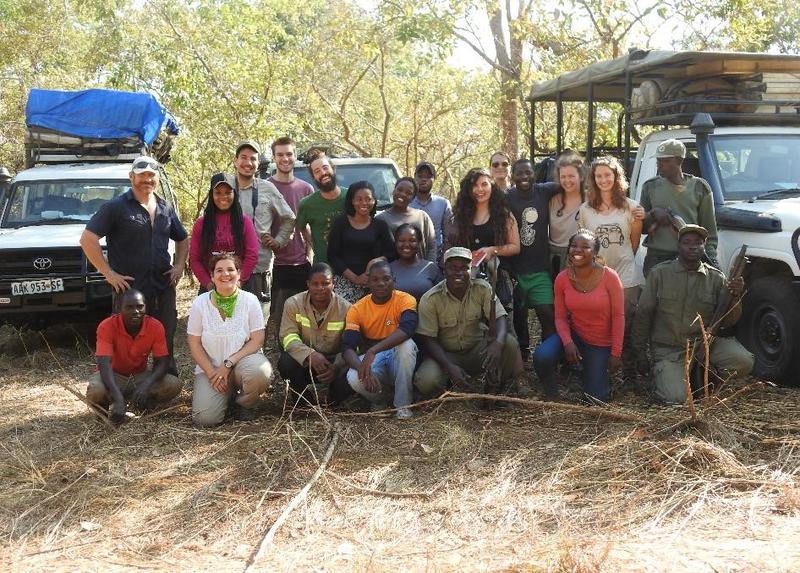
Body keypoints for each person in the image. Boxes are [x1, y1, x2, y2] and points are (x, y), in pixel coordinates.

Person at [80, 156, 188, 372]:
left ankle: (165, 381)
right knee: (124, 341)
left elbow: (183, 238)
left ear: (157, 178)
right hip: (129, 290)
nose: (146, 179)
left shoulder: (165, 208)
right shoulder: (115, 207)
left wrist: (179, 266)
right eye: (141, 175)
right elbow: (87, 239)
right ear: (132, 177)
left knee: (165, 337)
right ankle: (123, 384)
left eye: (151, 175)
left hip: (163, 286)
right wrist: (108, 273)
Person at [631, 225, 754, 404]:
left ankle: (705, 377)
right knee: (676, 398)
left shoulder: (716, 278)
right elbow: (643, 314)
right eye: (687, 242)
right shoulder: (659, 274)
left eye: (698, 243)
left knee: (744, 361)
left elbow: (728, 321)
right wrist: (640, 353)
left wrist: (735, 297)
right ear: (678, 245)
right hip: (670, 350)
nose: (693, 246)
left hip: (704, 346)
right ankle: (667, 377)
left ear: (704, 247)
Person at [415, 247, 522, 397]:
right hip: (447, 355)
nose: (458, 272)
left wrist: (498, 343)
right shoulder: (431, 299)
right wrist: (449, 366)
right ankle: (448, 387)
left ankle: (495, 387)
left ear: (471, 269)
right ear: (444, 270)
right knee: (426, 381)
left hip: (477, 351)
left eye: (464, 268)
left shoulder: (482, 288)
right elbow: (429, 339)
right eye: (453, 268)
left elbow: (500, 318)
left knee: (509, 343)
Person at [533, 230, 625, 402]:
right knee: (542, 356)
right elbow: (560, 317)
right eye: (574, 246)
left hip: (600, 343)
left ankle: (585, 372)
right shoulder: (562, 278)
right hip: (575, 335)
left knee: (595, 399)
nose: (577, 250)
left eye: (585, 247)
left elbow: (618, 317)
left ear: (595, 252)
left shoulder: (610, 277)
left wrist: (616, 353)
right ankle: (552, 393)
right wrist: (568, 343)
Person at [187, 254, 272, 426]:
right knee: (204, 419)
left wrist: (228, 364)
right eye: (219, 270)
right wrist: (212, 373)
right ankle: (228, 394)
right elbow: (194, 343)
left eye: (230, 269)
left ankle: (245, 404)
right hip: (212, 370)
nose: (225, 274)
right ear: (212, 276)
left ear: (239, 273)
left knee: (259, 372)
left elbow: (257, 340)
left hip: (243, 364)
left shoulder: (250, 300)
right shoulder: (200, 303)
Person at [579, 156, 644, 374]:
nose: (603, 180)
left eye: (608, 175)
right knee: (602, 323)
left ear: (616, 177)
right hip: (598, 274)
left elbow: (633, 243)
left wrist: (622, 257)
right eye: (599, 176)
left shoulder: (631, 207)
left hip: (626, 274)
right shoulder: (586, 210)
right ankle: (601, 369)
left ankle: (629, 372)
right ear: (593, 179)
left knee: (626, 324)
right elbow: (585, 242)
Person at [86, 289, 181, 424]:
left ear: (146, 307)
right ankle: (104, 416)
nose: (135, 311)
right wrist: (118, 397)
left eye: (140, 306)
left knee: (173, 384)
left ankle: (142, 404)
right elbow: (104, 365)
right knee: (96, 390)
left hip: (139, 376)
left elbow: (163, 362)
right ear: (119, 308)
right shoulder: (106, 326)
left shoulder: (155, 326)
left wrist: (146, 385)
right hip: (112, 375)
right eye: (129, 307)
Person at [342, 261, 418, 419]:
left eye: (386, 278)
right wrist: (364, 370)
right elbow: (347, 348)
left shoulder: (406, 300)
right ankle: (380, 400)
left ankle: (403, 406)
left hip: (395, 351)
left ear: (394, 280)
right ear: (368, 282)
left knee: (407, 345)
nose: (381, 283)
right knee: (353, 376)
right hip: (375, 358)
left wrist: (373, 350)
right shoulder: (357, 309)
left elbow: (407, 329)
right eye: (375, 280)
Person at [230, 140, 296, 322]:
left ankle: (256, 350)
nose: (248, 163)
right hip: (229, 268)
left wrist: (278, 241)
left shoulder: (267, 188)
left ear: (258, 163)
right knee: (230, 318)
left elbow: (289, 218)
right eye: (243, 157)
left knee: (257, 318)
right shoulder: (225, 188)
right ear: (235, 161)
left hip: (259, 267)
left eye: (253, 159)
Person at [505, 158, 560, 358]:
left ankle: (548, 356)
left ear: (534, 174)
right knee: (519, 317)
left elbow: (569, 184)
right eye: (519, 173)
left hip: (540, 270)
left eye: (527, 172)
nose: (524, 177)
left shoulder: (543, 191)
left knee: (546, 314)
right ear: (513, 176)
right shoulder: (507, 197)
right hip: (516, 270)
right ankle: (523, 355)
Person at [640, 138, 719, 275]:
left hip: (690, 258)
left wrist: (711, 260)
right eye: (658, 160)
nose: (659, 165)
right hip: (658, 257)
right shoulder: (650, 187)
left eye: (665, 160)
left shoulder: (699, 187)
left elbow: (709, 231)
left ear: (679, 161)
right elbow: (642, 228)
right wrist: (653, 214)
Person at [278, 263, 352, 406]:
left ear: (333, 284)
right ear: (308, 284)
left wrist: (336, 367)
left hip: (334, 364)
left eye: (325, 283)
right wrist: (310, 354)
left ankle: (332, 399)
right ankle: (305, 403)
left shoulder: (347, 309)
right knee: (286, 362)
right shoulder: (293, 303)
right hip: (305, 362)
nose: (320, 288)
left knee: (352, 367)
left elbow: (349, 345)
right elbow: (287, 336)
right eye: (315, 284)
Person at [268, 137, 314, 331]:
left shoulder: (306, 189)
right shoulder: (265, 187)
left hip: (301, 264)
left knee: (305, 320)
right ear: (274, 158)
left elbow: (310, 227)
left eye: (289, 154)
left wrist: (310, 256)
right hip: (274, 266)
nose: (285, 158)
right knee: (280, 322)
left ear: (295, 156)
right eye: (280, 155)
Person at [190, 173, 259, 293]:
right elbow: (195, 259)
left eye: (228, 192)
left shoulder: (244, 222)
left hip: (240, 285)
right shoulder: (201, 224)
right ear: (211, 194)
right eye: (218, 193)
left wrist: (239, 282)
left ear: (235, 194)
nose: (223, 197)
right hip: (210, 288)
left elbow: (252, 254)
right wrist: (209, 284)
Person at [327, 181, 395, 302]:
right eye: (359, 199)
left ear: (374, 201)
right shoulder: (341, 223)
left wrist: (374, 263)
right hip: (345, 282)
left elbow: (392, 253)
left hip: (374, 284)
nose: (364, 203)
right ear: (352, 201)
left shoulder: (380, 225)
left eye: (368, 199)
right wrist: (355, 278)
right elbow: (333, 256)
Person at [296, 149, 347, 264]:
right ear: (313, 177)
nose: (323, 173)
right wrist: (315, 246)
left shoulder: (351, 197)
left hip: (352, 268)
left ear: (333, 169)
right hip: (323, 270)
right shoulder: (306, 204)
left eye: (325, 167)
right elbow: (301, 227)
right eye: (317, 171)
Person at [376, 177, 437, 263]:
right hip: (391, 272)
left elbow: (432, 246)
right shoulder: (381, 219)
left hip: (420, 272)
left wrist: (429, 268)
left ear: (413, 198)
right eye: (400, 190)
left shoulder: (422, 216)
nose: (403, 194)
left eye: (409, 193)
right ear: (394, 191)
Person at [549, 152, 585, 275]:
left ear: (580, 176)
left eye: (571, 176)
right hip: (552, 259)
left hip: (579, 257)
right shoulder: (552, 200)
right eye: (563, 176)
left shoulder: (591, 200)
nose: (567, 180)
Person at [410, 161, 452, 261]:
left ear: (434, 179)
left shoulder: (443, 204)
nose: (424, 179)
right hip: (409, 259)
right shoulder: (407, 203)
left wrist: (444, 260)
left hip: (436, 259)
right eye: (420, 176)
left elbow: (448, 236)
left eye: (428, 176)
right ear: (415, 177)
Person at [389, 223, 442, 301]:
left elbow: (442, 298)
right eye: (401, 240)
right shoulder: (388, 269)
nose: (407, 244)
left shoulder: (430, 267)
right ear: (395, 243)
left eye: (412, 240)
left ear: (419, 243)